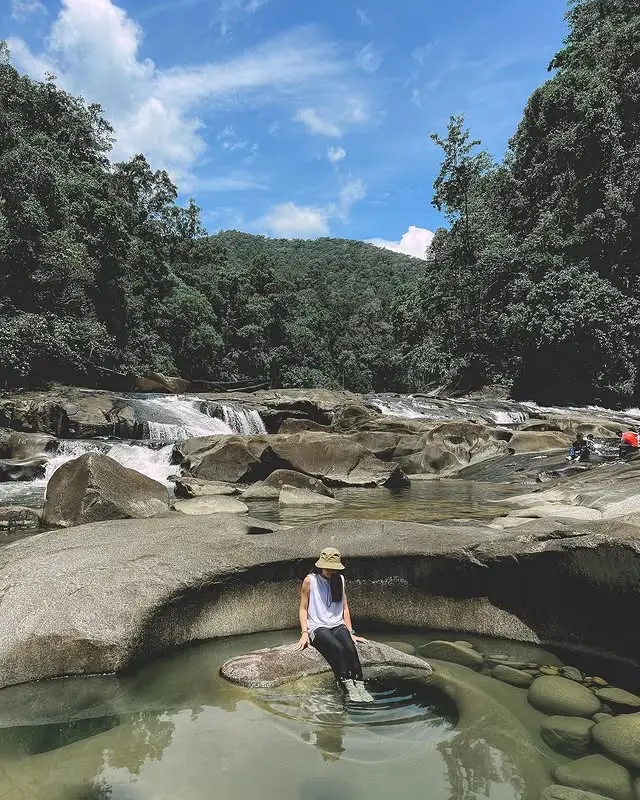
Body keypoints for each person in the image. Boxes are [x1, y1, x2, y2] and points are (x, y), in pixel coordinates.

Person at [295, 547, 373, 703]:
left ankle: (359, 684)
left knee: (350, 647)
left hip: (337, 624)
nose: (331, 571)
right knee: (337, 648)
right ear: (320, 565)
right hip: (317, 626)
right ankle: (346, 686)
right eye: (328, 568)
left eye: (333, 568)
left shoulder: (340, 579)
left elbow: (345, 607)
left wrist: (350, 632)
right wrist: (304, 633)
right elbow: (303, 608)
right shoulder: (310, 580)